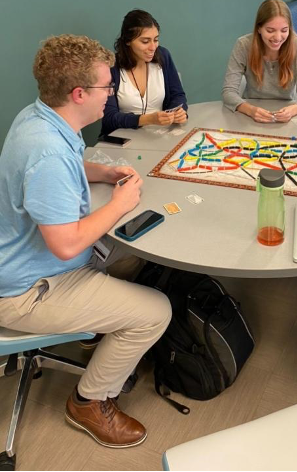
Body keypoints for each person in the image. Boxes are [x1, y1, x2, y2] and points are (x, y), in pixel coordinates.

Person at [0, 34, 172, 447]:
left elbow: (71, 162)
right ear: (79, 93)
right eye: (106, 87)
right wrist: (121, 201)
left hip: (27, 262)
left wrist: (103, 173)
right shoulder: (47, 154)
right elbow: (65, 245)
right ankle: (88, 403)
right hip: (25, 291)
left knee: (139, 256)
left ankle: (94, 328)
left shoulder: (40, 116)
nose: (110, 94)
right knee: (156, 311)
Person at [222, 0, 297, 123]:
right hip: (251, 117)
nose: (278, 37)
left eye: (284, 30)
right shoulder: (243, 45)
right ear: (259, 28)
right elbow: (228, 92)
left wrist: (294, 109)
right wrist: (250, 110)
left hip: (288, 117)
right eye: (270, 30)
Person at [101, 9, 187, 136]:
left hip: (160, 135)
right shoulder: (111, 67)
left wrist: (180, 111)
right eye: (145, 41)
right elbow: (109, 118)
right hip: (122, 140)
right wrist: (148, 119)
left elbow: (178, 95)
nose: (153, 47)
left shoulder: (163, 56)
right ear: (127, 41)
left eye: (156, 40)